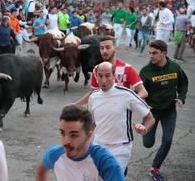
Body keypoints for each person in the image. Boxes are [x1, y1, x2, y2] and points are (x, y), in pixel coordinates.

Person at [88, 61, 155, 173]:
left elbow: (150, 118)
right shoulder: (93, 97)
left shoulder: (127, 94)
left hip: (120, 148)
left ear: (114, 75)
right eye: (100, 75)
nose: (103, 80)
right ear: (96, 76)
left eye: (108, 75)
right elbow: (93, 123)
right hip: (98, 146)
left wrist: (145, 128)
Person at [140, 40, 188, 181]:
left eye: (155, 53)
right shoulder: (146, 71)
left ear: (164, 53)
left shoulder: (174, 67)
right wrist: (143, 105)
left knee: (167, 140)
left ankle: (155, 168)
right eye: (150, 53)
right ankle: (148, 138)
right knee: (147, 144)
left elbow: (183, 82)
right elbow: (138, 91)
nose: (151, 56)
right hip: (151, 113)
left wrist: (182, 97)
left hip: (169, 111)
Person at [35, 105, 125, 181]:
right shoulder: (55, 154)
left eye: (73, 135)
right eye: (62, 133)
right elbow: (41, 171)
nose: (65, 141)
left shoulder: (104, 162)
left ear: (88, 135)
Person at [73, 35, 148, 105]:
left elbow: (143, 92)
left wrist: (128, 103)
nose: (104, 51)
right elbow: (93, 92)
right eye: (102, 48)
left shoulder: (127, 68)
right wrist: (76, 105)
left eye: (108, 47)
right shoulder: (96, 69)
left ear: (115, 48)